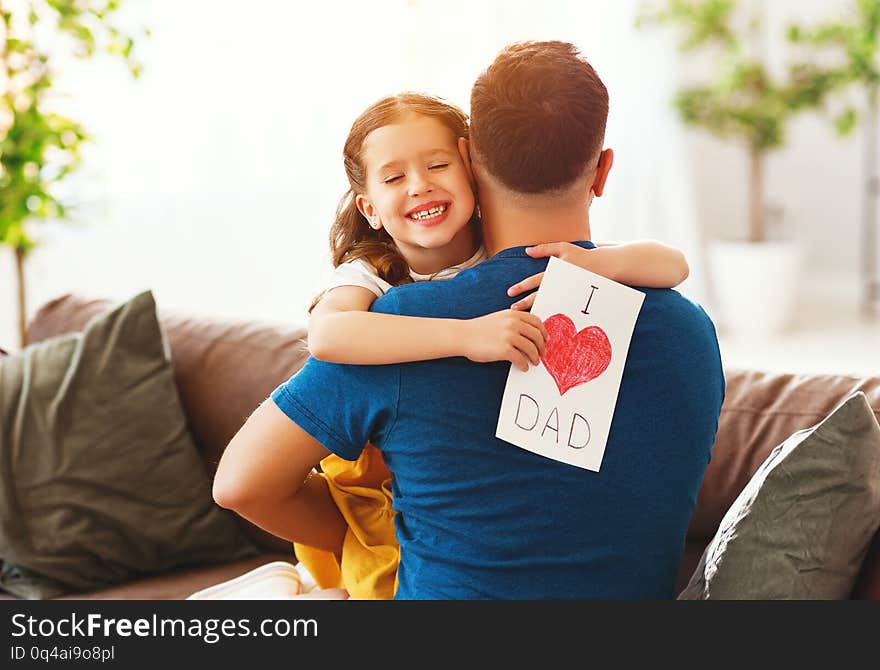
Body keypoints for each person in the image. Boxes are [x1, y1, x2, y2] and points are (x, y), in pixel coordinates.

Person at [214, 41, 725, 600]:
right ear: (602, 170)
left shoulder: (400, 328)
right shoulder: (692, 334)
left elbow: (241, 483)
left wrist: (374, 545)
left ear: (470, 164)